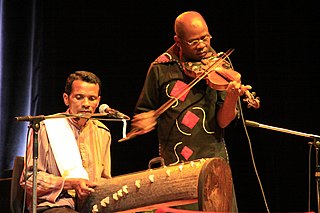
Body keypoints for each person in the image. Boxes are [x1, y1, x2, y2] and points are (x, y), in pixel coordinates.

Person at [129, 11, 251, 212]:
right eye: (194, 42)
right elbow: (145, 111)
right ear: (178, 40)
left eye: (206, 37)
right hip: (175, 167)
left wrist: (231, 98)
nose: (203, 45)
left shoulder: (220, 66)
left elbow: (223, 122)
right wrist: (145, 121)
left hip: (212, 161)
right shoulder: (161, 68)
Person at [20, 71, 112, 213]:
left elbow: (106, 180)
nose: (86, 104)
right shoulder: (46, 127)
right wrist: (70, 184)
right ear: (66, 98)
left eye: (92, 98)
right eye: (79, 97)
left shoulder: (102, 132)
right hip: (55, 204)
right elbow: (29, 179)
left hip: (91, 206)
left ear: (98, 101)